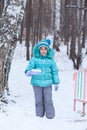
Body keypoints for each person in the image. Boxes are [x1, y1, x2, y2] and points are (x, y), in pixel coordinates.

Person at [25, 39, 60, 119]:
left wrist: (56, 82)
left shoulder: (51, 61)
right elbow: (29, 67)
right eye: (41, 49)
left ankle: (50, 116)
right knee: (39, 100)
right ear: (38, 50)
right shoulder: (34, 60)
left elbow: (55, 71)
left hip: (48, 84)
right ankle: (39, 116)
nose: (43, 51)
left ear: (48, 50)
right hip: (36, 84)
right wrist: (28, 72)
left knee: (48, 100)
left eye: (45, 49)